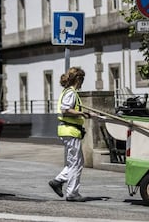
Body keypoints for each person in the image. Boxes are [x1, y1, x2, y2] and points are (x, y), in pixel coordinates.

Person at [48, 67, 96, 202]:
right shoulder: (71, 93)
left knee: (77, 162)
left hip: (70, 130)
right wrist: (83, 113)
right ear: (78, 79)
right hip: (70, 130)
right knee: (75, 163)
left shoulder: (70, 92)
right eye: (82, 80)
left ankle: (58, 181)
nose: (82, 83)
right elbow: (65, 109)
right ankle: (72, 193)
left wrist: (85, 114)